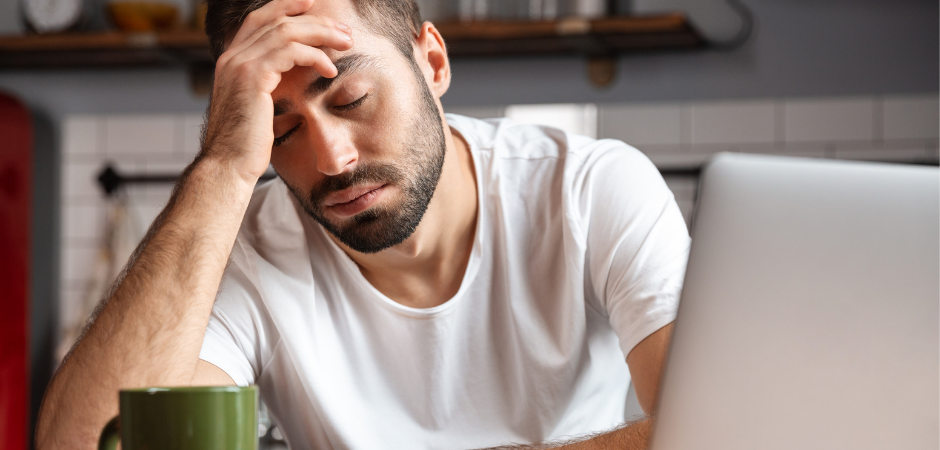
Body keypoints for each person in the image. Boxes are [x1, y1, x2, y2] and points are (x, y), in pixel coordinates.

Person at [35, 0, 690, 448]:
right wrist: (223, 167)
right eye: (281, 128)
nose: (332, 160)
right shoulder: (242, 251)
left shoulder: (588, 189)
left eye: (352, 99)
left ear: (432, 63)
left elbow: (720, 427)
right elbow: (81, 443)